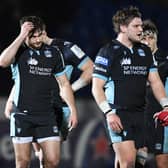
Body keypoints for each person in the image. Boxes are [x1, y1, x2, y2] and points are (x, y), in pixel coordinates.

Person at [4, 27, 93, 167]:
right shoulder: (28, 51)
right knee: (38, 153)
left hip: (57, 109)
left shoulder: (66, 48)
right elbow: (23, 78)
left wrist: (72, 89)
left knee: (50, 158)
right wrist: (10, 100)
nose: (37, 40)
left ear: (44, 33)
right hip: (32, 106)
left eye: (39, 35)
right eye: (32, 37)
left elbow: (90, 68)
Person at [91, 6, 168, 168]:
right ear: (123, 28)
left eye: (141, 26)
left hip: (141, 114)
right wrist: (109, 113)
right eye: (136, 26)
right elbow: (96, 87)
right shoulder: (108, 51)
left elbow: (155, 82)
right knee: (128, 162)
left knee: (134, 161)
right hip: (119, 113)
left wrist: (166, 105)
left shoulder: (145, 52)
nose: (141, 29)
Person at [140, 19, 168, 168]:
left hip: (161, 119)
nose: (148, 42)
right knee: (137, 161)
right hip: (140, 117)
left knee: (162, 163)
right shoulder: (133, 60)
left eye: (151, 37)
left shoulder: (165, 60)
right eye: (144, 38)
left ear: (156, 38)